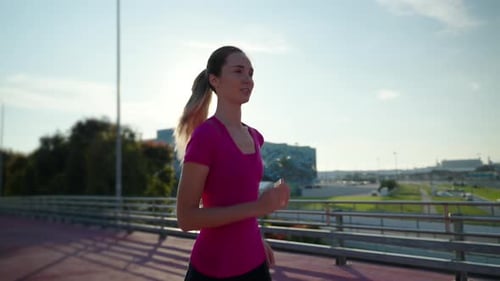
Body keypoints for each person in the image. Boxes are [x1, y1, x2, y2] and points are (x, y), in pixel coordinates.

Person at [175, 46, 291, 281]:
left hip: (255, 263)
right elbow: (186, 218)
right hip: (213, 269)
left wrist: (257, 238)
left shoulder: (256, 137)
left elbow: (241, 200)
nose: (248, 79)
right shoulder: (206, 137)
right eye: (238, 71)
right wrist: (258, 208)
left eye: (250, 73)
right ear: (214, 80)